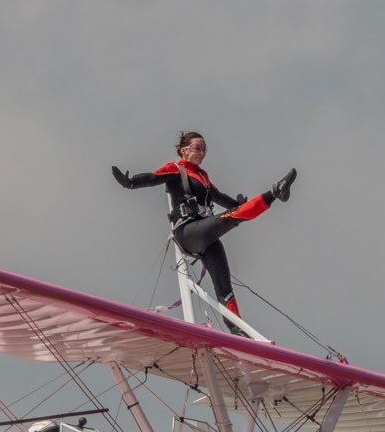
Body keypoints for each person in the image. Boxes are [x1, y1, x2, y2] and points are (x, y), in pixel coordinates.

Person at [113, 131, 296, 333]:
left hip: (205, 235)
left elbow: (218, 197)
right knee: (234, 217)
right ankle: (275, 191)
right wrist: (130, 183)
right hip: (187, 231)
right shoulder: (177, 169)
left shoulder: (203, 176)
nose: (202, 153)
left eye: (204, 149)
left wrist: (237, 203)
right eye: (197, 148)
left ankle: (237, 330)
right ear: (183, 150)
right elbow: (152, 177)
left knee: (225, 287)